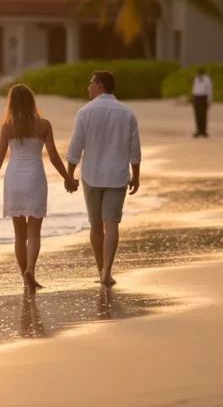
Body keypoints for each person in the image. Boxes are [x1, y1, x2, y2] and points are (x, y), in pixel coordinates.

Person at [0, 84, 78, 291]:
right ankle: (31, 271)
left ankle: (24, 276)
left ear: (12, 103)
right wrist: (68, 179)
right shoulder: (43, 125)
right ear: (31, 102)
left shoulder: (8, 127)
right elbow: (53, 157)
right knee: (34, 232)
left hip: (14, 179)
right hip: (35, 178)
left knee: (19, 234)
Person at [65, 70, 141, 286]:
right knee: (112, 224)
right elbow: (134, 150)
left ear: (99, 85)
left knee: (96, 225)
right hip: (117, 175)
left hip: (92, 175)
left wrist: (69, 175)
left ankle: (101, 270)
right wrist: (136, 176)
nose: (88, 87)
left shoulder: (85, 112)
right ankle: (107, 270)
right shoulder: (127, 113)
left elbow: (75, 147)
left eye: (90, 83)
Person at [192, 68, 213, 138]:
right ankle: (198, 130)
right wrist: (193, 99)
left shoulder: (207, 80)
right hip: (197, 97)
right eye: (198, 74)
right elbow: (194, 89)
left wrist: (209, 101)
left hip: (203, 98)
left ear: (203, 74)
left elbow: (209, 90)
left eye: (200, 74)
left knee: (203, 115)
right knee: (197, 115)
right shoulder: (196, 79)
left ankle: (203, 131)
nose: (199, 75)